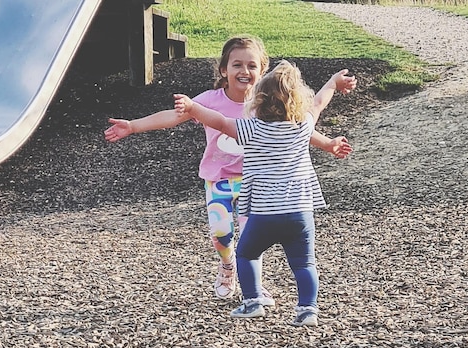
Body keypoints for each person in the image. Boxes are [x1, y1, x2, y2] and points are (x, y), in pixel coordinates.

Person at [104, 36, 352, 303]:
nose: (244, 71)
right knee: (221, 234)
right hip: (218, 179)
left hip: (254, 182)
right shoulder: (209, 101)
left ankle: (253, 287)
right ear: (224, 69)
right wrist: (133, 125)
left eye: (252, 66)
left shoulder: (266, 104)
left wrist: (327, 144)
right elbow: (172, 117)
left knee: (251, 237)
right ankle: (227, 267)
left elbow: (295, 130)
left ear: (262, 70)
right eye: (237, 65)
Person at [173, 60, 356, 327]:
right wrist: (333, 83)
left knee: (246, 254)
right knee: (304, 263)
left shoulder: (252, 129)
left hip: (264, 214)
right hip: (300, 213)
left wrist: (192, 107)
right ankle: (308, 310)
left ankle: (253, 302)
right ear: (297, 103)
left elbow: (221, 122)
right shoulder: (303, 126)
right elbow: (318, 104)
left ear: (257, 102)